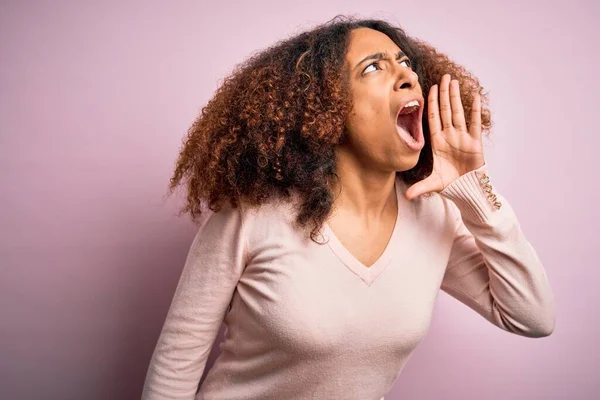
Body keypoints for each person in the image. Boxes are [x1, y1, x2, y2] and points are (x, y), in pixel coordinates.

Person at [142, 15, 555, 400]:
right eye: (373, 67)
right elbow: (174, 368)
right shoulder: (251, 216)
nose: (406, 75)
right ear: (326, 110)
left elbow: (532, 317)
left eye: (405, 62)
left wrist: (476, 190)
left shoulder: (435, 217)